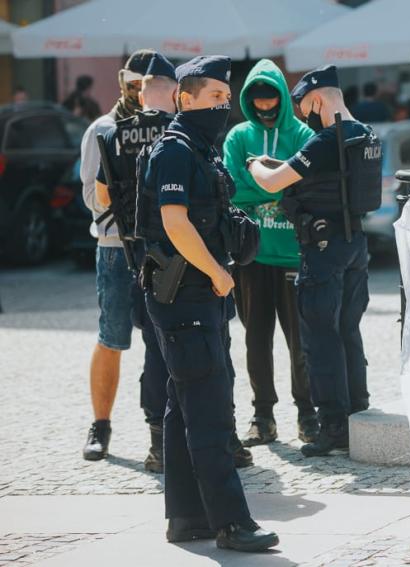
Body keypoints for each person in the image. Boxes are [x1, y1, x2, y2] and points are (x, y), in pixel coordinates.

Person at [136, 55, 277, 551]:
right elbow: (175, 223)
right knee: (210, 409)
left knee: (182, 406)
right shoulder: (174, 151)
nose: (221, 105)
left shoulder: (200, 150)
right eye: (213, 96)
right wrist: (218, 272)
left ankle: (187, 518)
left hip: (198, 296)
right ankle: (233, 523)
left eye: (225, 96)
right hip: (188, 294)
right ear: (184, 98)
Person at [248, 65, 381, 457]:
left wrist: (257, 163)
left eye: (305, 105)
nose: (305, 114)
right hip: (355, 241)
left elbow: (273, 182)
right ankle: (356, 411)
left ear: (317, 99)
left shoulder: (328, 138)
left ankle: (333, 428)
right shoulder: (365, 134)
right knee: (347, 331)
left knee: (320, 338)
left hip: (323, 248)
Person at [222, 59, 318, 447]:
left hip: (295, 255)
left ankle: (307, 415)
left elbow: (306, 186)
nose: (265, 107)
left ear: (281, 95)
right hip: (252, 257)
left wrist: (259, 183)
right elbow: (232, 188)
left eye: (271, 99)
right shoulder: (238, 137)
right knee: (255, 339)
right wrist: (279, 183)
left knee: (301, 342)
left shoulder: (303, 134)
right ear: (248, 100)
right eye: (257, 100)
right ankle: (263, 416)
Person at [92, 53, 177, 473]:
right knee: (125, 338)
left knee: (153, 346)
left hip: (133, 246)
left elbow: (102, 194)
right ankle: (103, 425)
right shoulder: (180, 130)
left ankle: (159, 442)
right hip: (146, 249)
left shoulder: (115, 135)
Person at [80, 49, 156, 463]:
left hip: (161, 244)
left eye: (150, 87)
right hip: (114, 246)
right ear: (125, 83)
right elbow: (93, 199)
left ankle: (161, 428)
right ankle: (101, 424)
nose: (141, 94)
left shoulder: (168, 127)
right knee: (112, 337)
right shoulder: (103, 129)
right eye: (135, 86)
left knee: (165, 340)